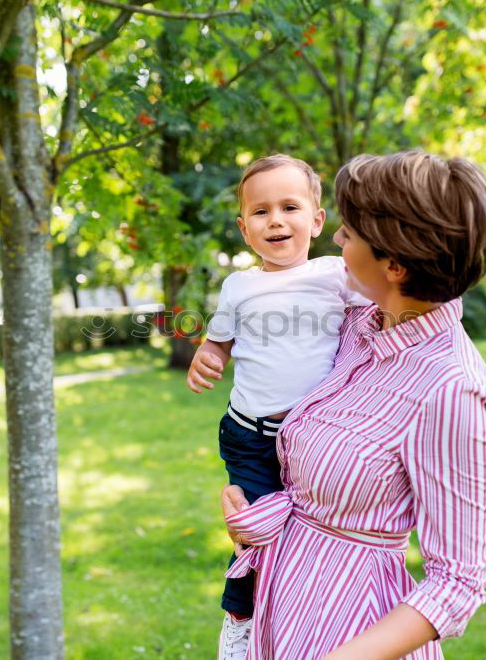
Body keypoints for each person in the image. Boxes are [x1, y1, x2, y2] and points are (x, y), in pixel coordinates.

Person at [220, 149, 486, 659]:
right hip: (280, 608)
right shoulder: (355, 327)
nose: (337, 239)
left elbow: (457, 583)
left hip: (351, 631)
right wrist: (257, 509)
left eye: (349, 233)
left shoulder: (451, 389)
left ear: (394, 265)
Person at [186, 154, 369, 659]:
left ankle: (307, 622)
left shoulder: (337, 274)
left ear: (316, 220)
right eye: (261, 212)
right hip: (250, 433)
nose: (276, 220)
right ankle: (240, 618)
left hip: (312, 439)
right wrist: (207, 356)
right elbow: (217, 342)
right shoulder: (239, 287)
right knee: (256, 531)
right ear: (245, 229)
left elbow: (384, 299)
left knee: (307, 539)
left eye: (289, 207)